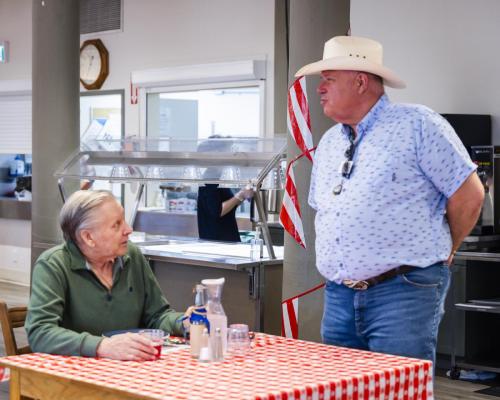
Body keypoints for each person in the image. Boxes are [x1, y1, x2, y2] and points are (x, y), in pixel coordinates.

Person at [297, 36, 484, 363]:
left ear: (360, 81)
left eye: (329, 79)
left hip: (403, 291)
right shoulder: (329, 142)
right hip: (339, 294)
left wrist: (448, 248)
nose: (320, 88)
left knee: (398, 389)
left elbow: (469, 194)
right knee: (341, 389)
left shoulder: (417, 125)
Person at [26, 190, 190, 361]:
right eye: (116, 225)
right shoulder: (53, 265)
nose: (129, 229)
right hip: (74, 376)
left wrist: (185, 322)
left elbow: (157, 317)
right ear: (88, 237)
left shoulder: (131, 256)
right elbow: (40, 333)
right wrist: (102, 346)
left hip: (129, 371)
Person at [196, 136, 253, 242]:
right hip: (216, 240)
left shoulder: (219, 176)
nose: (231, 155)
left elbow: (229, 205)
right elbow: (217, 211)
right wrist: (241, 195)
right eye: (228, 150)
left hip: (226, 237)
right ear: (217, 153)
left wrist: (244, 194)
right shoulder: (210, 177)